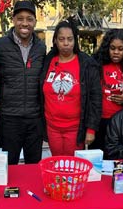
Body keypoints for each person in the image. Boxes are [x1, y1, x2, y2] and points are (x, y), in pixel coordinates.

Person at [40, 18, 102, 156]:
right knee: (57, 163)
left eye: (70, 39)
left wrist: (91, 129)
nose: (66, 43)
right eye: (61, 39)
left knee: (72, 167)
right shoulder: (48, 61)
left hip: (75, 129)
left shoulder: (87, 64)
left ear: (75, 41)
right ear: (55, 40)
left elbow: (95, 99)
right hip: (52, 127)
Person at [0, 1, 46, 164]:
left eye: (29, 19)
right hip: (9, 119)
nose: (25, 23)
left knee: (33, 166)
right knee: (9, 167)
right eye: (20, 18)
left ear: (35, 22)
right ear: (13, 20)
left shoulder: (41, 47)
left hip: (35, 119)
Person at [90, 28, 123, 156]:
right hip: (100, 123)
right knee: (98, 163)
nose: (116, 52)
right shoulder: (97, 65)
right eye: (112, 48)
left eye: (120, 49)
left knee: (119, 162)